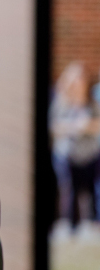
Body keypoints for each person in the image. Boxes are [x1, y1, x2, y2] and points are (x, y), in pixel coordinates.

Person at [52, 62, 100, 238]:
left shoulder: (92, 103)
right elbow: (54, 126)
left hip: (90, 155)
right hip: (68, 156)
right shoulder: (61, 103)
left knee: (92, 190)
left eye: (81, 79)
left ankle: (93, 226)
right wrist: (72, 127)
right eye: (75, 79)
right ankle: (70, 227)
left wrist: (87, 126)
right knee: (69, 191)